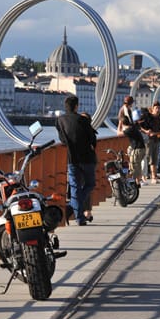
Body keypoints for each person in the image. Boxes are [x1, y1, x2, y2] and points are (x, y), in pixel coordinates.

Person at [55, 95, 96, 226]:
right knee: (90, 184)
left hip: (72, 158)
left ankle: (79, 218)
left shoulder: (60, 120)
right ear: (76, 106)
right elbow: (92, 139)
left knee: (75, 187)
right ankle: (72, 208)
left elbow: (62, 139)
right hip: (87, 158)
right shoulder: (83, 120)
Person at [143, 101, 160, 183]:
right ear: (152, 109)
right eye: (156, 108)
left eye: (159, 108)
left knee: (154, 159)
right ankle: (144, 176)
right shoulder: (148, 117)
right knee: (146, 157)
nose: (158, 109)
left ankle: (153, 177)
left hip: (156, 140)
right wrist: (146, 131)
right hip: (148, 141)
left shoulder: (159, 120)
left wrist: (159, 132)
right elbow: (141, 127)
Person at [125, 108, 147, 187]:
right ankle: (139, 180)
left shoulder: (131, 128)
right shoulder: (136, 127)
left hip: (137, 148)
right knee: (138, 164)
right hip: (142, 147)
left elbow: (120, 133)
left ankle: (137, 182)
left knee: (135, 165)